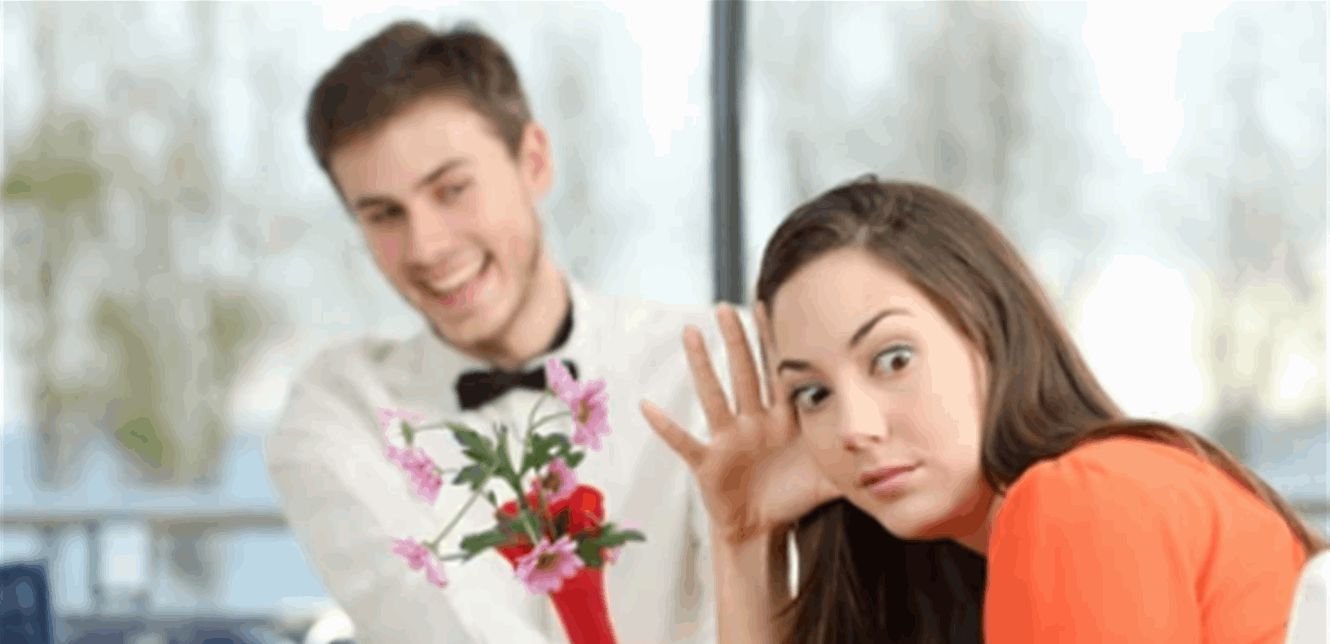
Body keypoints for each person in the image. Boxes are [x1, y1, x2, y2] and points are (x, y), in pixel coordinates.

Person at [640, 177, 1327, 644]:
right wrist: (744, 540)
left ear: (991, 335)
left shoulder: (1080, 500)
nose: (854, 428)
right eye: (813, 394)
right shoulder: (979, 562)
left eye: (893, 359)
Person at [266, 20, 731, 644]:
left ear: (533, 161)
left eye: (452, 189)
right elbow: (428, 619)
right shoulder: (342, 411)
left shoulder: (709, 362)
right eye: (384, 215)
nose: (427, 247)